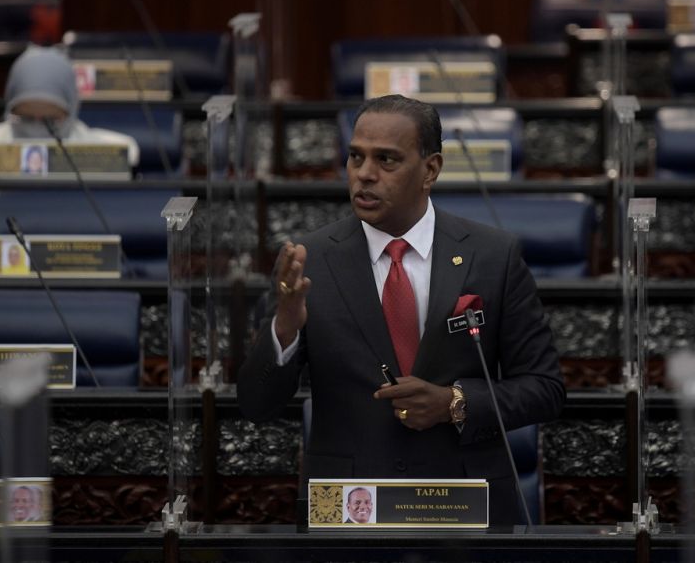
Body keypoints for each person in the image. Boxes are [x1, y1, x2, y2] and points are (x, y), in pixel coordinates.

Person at [238, 94, 565, 526]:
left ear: (430, 169)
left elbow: (546, 389)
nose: (364, 175)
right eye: (356, 158)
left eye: (386, 160)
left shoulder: (492, 256)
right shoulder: (309, 260)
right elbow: (256, 405)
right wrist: (285, 326)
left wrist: (455, 402)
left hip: (463, 507)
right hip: (347, 512)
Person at [0, 47, 139, 167]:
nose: (37, 130)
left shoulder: (115, 153)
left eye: (51, 120)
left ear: (72, 110)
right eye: (27, 118)